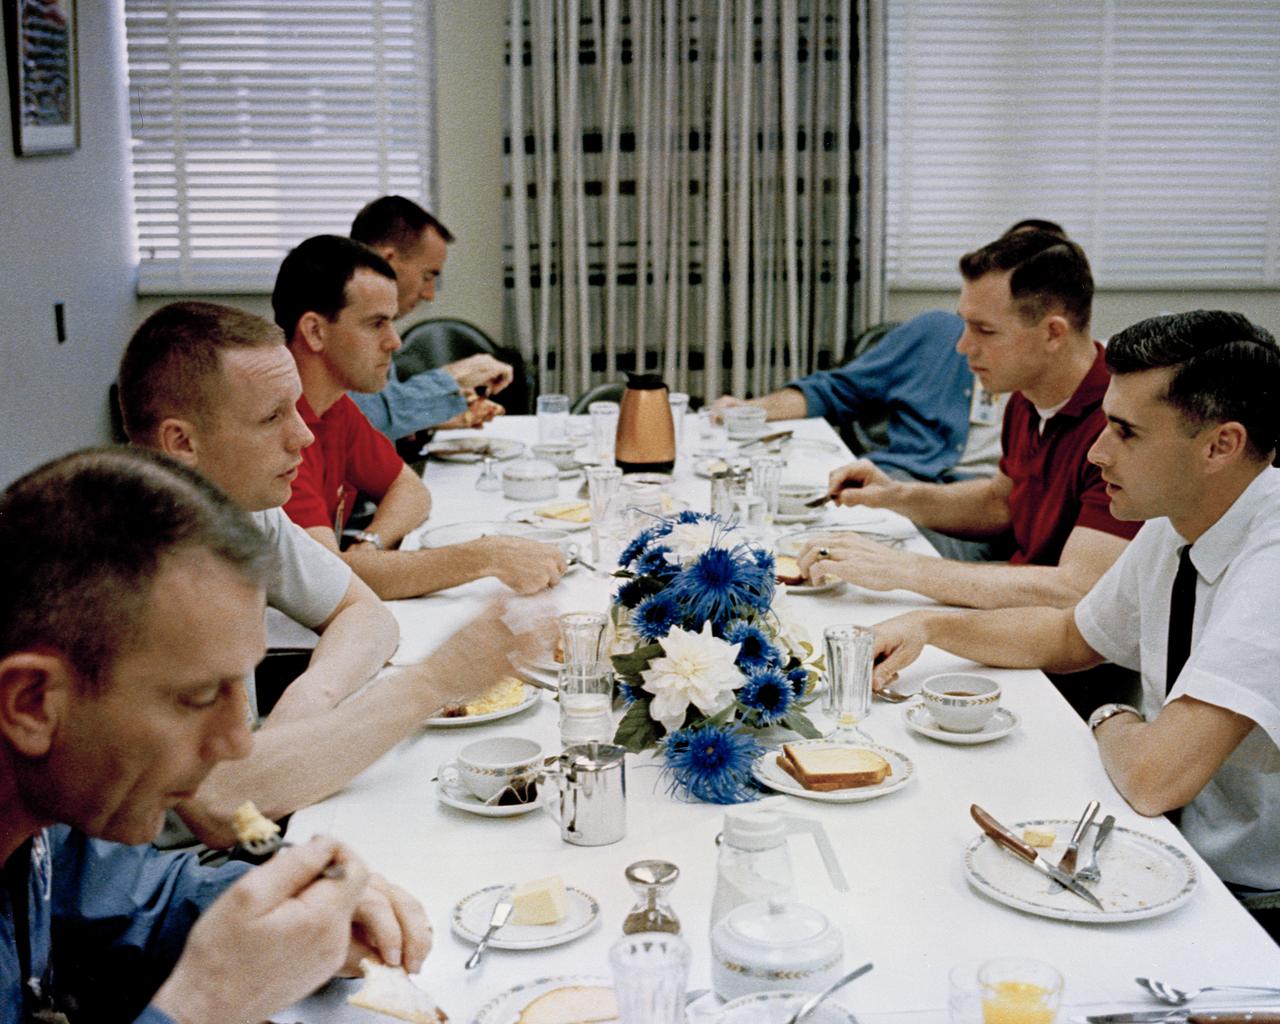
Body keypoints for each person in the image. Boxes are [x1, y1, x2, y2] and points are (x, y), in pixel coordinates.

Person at [870, 311, 1280, 933]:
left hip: (1252, 898)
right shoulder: (1179, 518)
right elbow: (1071, 635)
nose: (1097, 450)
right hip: (1176, 845)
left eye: (1127, 432)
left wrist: (1111, 717)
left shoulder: (1271, 564)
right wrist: (931, 627)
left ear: (1220, 445)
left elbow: (1151, 778)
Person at [0, 447, 429, 1023]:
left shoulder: (47, 820)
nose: (239, 742)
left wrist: (280, 911)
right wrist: (205, 1003)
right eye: (199, 696)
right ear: (31, 702)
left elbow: (129, 896)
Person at [117, 300, 551, 846]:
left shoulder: (244, 511)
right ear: (182, 443)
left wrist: (306, 706)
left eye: (296, 409)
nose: (303, 436)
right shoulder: (130, 587)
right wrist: (438, 678)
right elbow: (229, 806)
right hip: (177, 881)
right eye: (272, 417)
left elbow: (365, 612)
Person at [798, 228, 1140, 611]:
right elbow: (1002, 502)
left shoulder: (1123, 427)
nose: (963, 346)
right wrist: (893, 495)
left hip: (1062, 640)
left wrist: (905, 570)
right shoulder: (1027, 397)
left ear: (1053, 333)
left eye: (985, 330)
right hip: (1023, 607)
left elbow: (1077, 590)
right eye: (966, 325)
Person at [273, 234, 567, 599]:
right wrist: (486, 557)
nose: (395, 341)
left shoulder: (334, 406)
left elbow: (409, 489)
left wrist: (370, 542)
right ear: (315, 331)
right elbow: (328, 577)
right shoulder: (275, 429)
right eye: (376, 324)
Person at [710, 220, 1068, 489]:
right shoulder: (937, 333)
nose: (965, 346)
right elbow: (836, 389)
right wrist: (752, 411)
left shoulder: (1075, 385)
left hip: (974, 507)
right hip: (902, 479)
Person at [349, 195, 510, 438]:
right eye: (427, 276)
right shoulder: (341, 322)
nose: (429, 294)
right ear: (386, 261)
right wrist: (455, 377)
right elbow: (374, 419)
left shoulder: (370, 324)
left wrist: (429, 420)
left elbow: (378, 415)